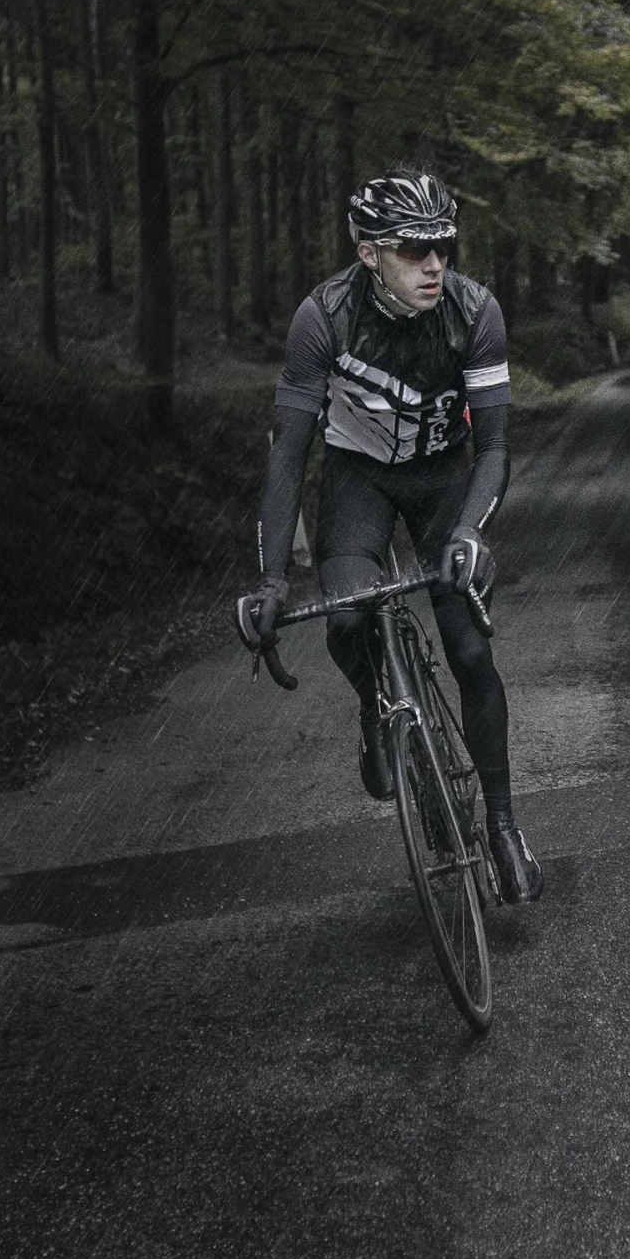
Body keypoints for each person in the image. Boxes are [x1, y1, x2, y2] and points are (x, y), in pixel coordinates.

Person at [242, 165, 543, 903]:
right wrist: (272, 579)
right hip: (359, 480)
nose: (434, 263)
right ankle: (376, 708)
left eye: (443, 246)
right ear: (369, 253)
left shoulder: (474, 311)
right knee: (347, 621)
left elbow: (495, 448)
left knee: (469, 649)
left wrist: (471, 531)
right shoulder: (324, 318)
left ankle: (502, 824)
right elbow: (288, 455)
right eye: (413, 250)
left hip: (445, 480)